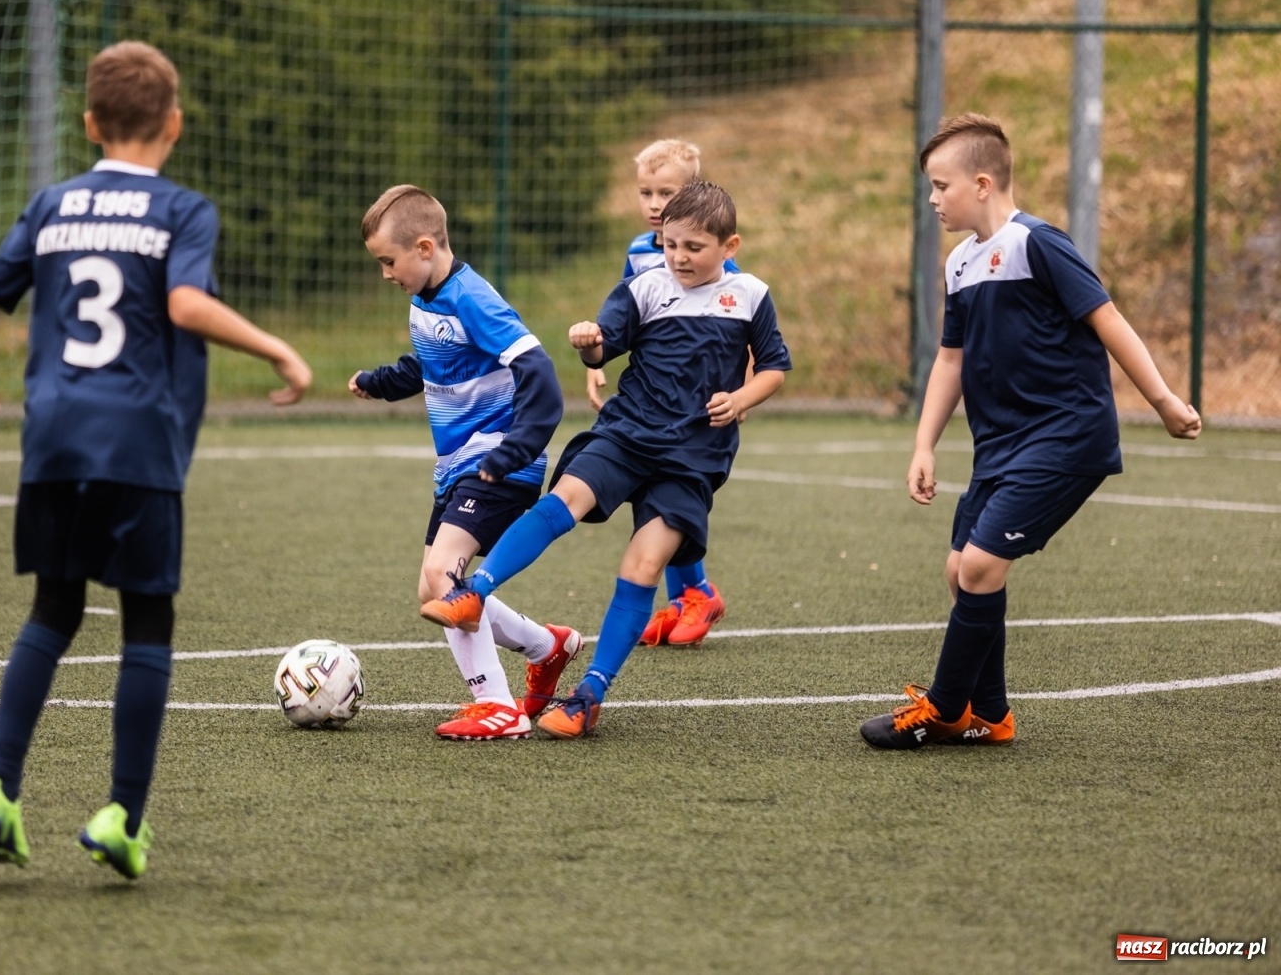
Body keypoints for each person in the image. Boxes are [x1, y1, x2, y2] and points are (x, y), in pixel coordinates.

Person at [0, 41, 313, 877]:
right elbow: (184, 302)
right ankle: (122, 816)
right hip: (139, 443)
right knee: (147, 623)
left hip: (54, 441)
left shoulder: (51, 205)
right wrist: (277, 351)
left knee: (53, 612)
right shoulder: (183, 212)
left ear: (89, 124)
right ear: (174, 124)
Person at [860, 112, 1201, 750]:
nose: (932, 199)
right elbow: (951, 360)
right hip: (1001, 447)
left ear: (982, 184)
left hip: (1067, 436)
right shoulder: (960, 263)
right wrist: (923, 445)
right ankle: (990, 715)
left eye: (941, 186)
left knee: (984, 565)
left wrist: (1163, 400)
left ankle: (942, 711)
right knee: (960, 569)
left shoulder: (1038, 243)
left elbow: (1108, 320)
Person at [422, 181, 791, 738]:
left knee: (642, 566)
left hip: (691, 459)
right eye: (670, 244)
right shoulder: (644, 287)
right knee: (563, 499)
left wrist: (741, 398)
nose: (680, 257)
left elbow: (775, 367)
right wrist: (589, 342)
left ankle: (589, 694)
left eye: (694, 246)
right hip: (627, 433)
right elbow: (604, 347)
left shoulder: (752, 296)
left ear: (729, 245)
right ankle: (475, 592)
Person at [350, 184, 583, 741]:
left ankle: (497, 706)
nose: (386, 273)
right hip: (459, 465)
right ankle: (547, 647)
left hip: (498, 465)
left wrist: (515, 450)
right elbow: (430, 364)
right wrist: (378, 382)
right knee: (433, 592)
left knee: (442, 575)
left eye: (389, 261)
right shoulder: (425, 300)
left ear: (425, 248)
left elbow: (541, 375)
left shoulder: (474, 298)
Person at [590, 139, 743, 648]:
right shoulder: (638, 250)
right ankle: (690, 595)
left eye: (667, 193)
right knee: (655, 490)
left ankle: (696, 593)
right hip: (653, 395)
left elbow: (738, 322)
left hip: (699, 402)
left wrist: (739, 392)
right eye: (646, 193)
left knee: (674, 489)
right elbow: (621, 317)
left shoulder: (714, 257)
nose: (656, 204)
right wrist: (597, 365)